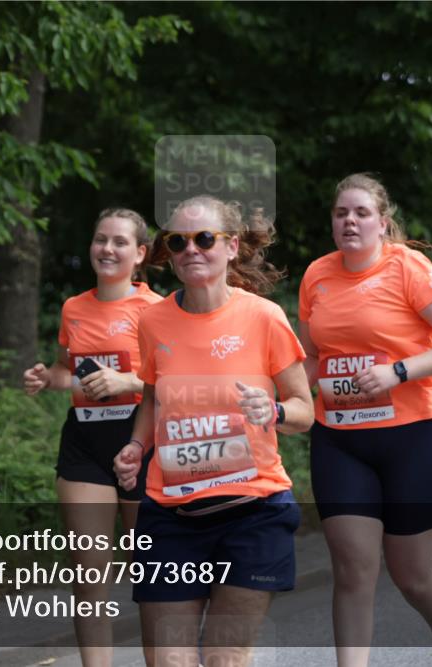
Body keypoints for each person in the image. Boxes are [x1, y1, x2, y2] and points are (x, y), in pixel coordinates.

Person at [113, 195, 313, 667]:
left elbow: (305, 410)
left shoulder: (264, 318)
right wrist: (137, 446)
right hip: (171, 517)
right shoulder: (153, 320)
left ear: (230, 247)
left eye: (205, 239)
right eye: (177, 242)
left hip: (253, 512)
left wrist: (274, 412)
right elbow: (154, 396)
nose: (191, 250)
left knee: (225, 659)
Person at [299, 174, 432, 667]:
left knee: (411, 576)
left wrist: (398, 371)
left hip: (416, 437)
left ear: (382, 222)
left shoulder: (408, 268)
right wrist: (275, 392)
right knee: (353, 570)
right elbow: (312, 360)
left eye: (361, 213)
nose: (350, 221)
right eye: (341, 214)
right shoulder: (317, 275)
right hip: (340, 440)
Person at [22, 208, 162, 667]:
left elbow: (176, 384)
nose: (107, 249)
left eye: (120, 242)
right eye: (101, 239)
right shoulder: (73, 308)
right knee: (88, 576)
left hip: (143, 444)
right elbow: (70, 373)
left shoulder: (157, 310)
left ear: (140, 254)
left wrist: (128, 383)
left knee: (153, 576)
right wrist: (49, 378)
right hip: (85, 443)